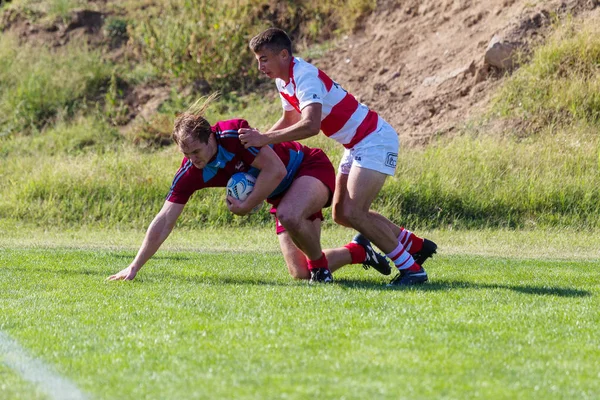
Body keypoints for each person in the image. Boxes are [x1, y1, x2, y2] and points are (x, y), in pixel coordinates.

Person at [107, 95, 391, 283]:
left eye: (196, 150)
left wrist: (247, 204)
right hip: (280, 193)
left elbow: (276, 170)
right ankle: (359, 251)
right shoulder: (192, 171)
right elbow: (164, 219)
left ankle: (323, 269)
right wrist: (134, 266)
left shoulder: (235, 136)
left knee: (292, 218)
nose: (193, 158)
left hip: (307, 168)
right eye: (186, 153)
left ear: (211, 137)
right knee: (298, 272)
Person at [239, 28, 437, 286]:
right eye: (257, 60)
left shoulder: (305, 76)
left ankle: (412, 269)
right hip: (356, 144)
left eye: (264, 58)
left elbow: (310, 125)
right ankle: (415, 245)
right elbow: (290, 119)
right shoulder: (283, 80)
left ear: (284, 54)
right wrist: (258, 145)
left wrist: (263, 139)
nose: (260, 66)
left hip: (374, 139)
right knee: (342, 214)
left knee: (355, 211)